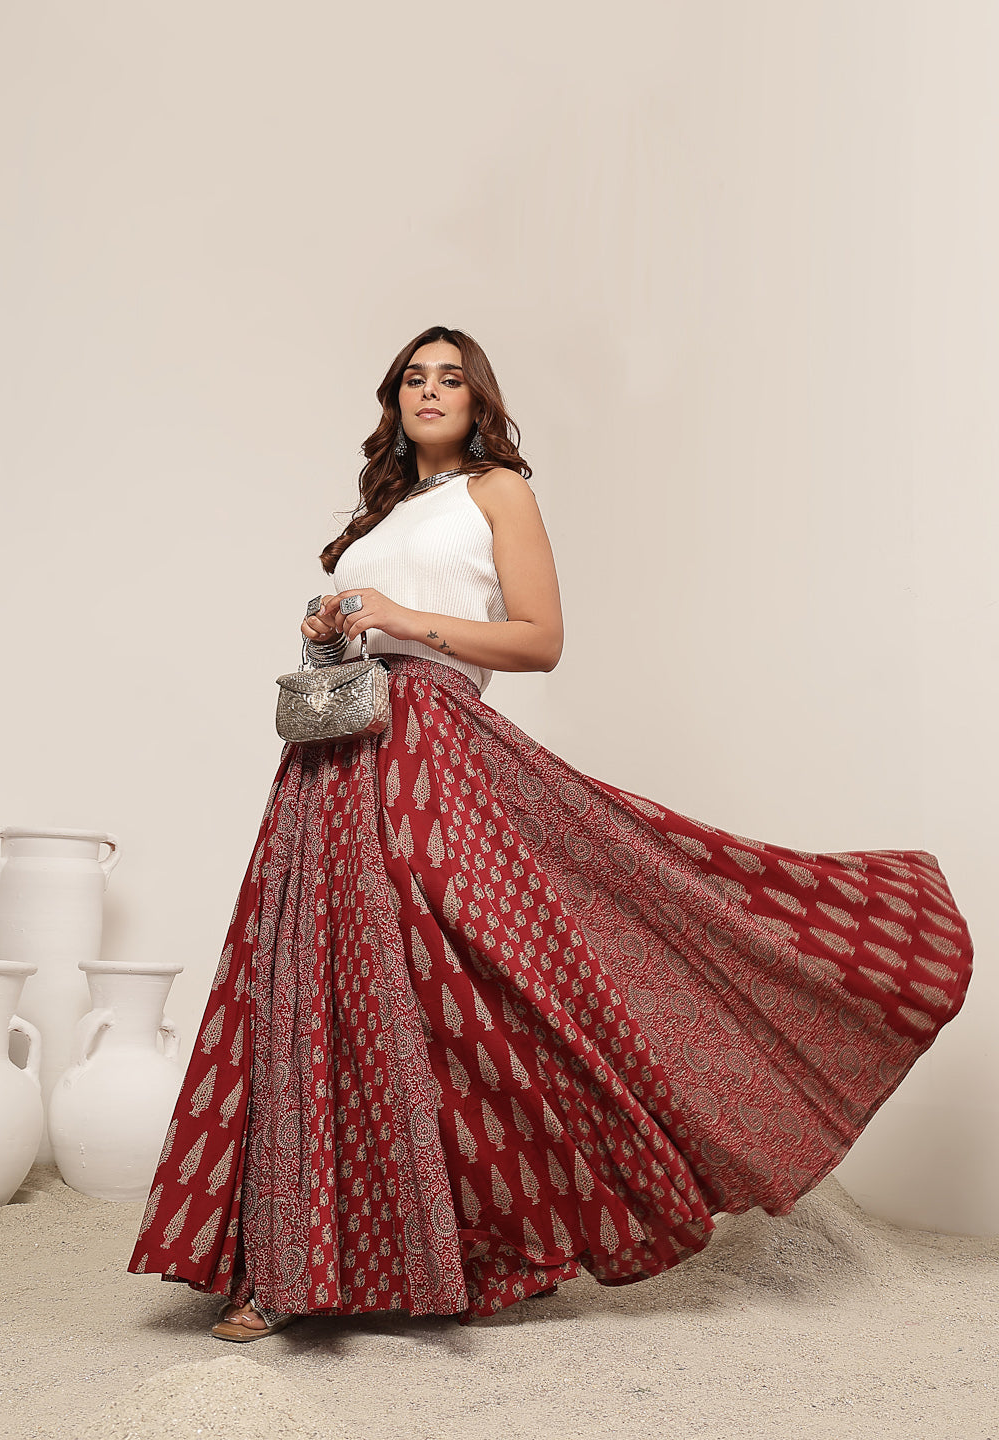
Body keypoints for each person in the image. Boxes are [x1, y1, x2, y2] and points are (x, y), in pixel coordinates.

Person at [127, 325, 974, 1339]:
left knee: (473, 975)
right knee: (318, 983)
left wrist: (400, 617)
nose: (429, 391)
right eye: (413, 379)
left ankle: (502, 1234)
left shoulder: (498, 492)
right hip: (331, 759)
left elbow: (541, 640)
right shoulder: (379, 514)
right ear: (393, 401)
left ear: (477, 401)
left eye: (450, 379)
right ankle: (290, 1262)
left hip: (429, 739)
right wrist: (334, 630)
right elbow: (376, 628)